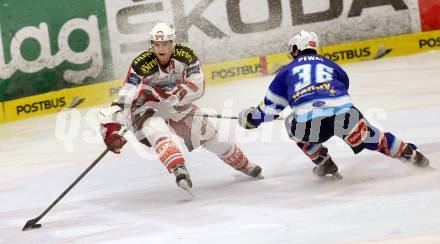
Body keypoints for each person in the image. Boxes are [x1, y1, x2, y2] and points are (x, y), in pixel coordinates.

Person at [237, 30, 429, 178]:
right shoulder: (331, 65)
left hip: (309, 123)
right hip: (344, 114)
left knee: (290, 123)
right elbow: (344, 85)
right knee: (371, 137)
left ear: (296, 49)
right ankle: (409, 153)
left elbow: (269, 110)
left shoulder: (286, 72)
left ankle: (323, 162)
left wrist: (250, 119)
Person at [99, 22, 262, 193]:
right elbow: (125, 96)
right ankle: (179, 169)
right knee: (157, 130)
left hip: (174, 105)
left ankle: (245, 165)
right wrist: (112, 130)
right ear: (152, 44)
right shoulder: (141, 64)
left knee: (212, 139)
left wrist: (172, 97)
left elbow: (197, 85)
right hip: (145, 109)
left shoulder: (185, 55)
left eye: (165, 44)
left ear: (173, 43)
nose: (161, 48)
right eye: (156, 44)